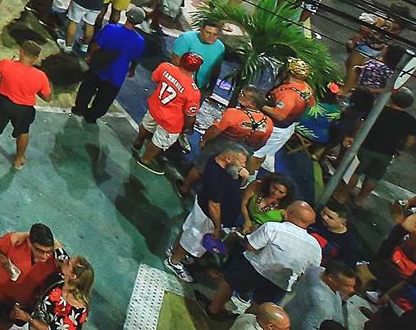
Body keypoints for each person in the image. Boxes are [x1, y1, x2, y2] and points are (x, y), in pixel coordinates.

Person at [209, 201, 320, 317]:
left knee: (229, 283)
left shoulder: (274, 228)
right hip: (281, 282)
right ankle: (241, 324)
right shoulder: (315, 246)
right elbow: (311, 271)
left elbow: (251, 246)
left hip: (254, 268)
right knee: (259, 307)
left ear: (289, 211)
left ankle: (213, 310)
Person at [165, 144, 250, 281]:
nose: (244, 166)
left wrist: (244, 178)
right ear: (229, 158)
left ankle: (175, 251)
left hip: (201, 205)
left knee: (188, 229)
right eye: (241, 162)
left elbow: (234, 185)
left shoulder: (218, 162)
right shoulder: (219, 178)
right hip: (208, 216)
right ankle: (174, 262)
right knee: (194, 238)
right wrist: (216, 228)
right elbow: (214, 205)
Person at [328, 89, 416, 206]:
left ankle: (343, 196)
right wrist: (400, 148)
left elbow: (361, 123)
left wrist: (353, 136)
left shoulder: (378, 109)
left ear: (392, 97)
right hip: (386, 153)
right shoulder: (410, 121)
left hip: (366, 147)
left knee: (354, 172)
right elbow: (410, 140)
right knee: (373, 178)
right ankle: (359, 199)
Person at [0, 42, 51, 169]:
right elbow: (47, 97)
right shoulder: (41, 76)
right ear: (36, 58)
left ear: (21, 51)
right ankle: (19, 159)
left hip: (2, 103)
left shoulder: (6, 64)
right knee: (23, 132)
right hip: (25, 109)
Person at [71, 6, 147, 124]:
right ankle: (92, 116)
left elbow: (97, 46)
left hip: (99, 67)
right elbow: (135, 58)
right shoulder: (140, 41)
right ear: (139, 22)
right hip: (117, 74)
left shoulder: (110, 28)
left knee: (87, 88)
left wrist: (90, 56)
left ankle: (79, 109)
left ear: (127, 16)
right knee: (104, 99)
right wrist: (132, 69)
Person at [0, 224, 62, 330]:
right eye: (39, 250)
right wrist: (4, 261)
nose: (44, 256)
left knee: (6, 323)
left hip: (22, 304)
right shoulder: (16, 242)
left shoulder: (55, 262)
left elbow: (71, 267)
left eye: (48, 252)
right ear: (29, 243)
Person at [136, 51, 205, 172]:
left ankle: (138, 143)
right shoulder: (193, 91)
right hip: (170, 121)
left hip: (155, 107)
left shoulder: (165, 67)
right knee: (159, 141)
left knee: (147, 126)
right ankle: (145, 160)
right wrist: (188, 127)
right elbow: (190, 115)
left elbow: (154, 78)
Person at [18, 255, 93, 330]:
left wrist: (28, 318)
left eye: (68, 263)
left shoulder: (76, 310)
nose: (64, 261)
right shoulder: (59, 282)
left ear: (73, 276)